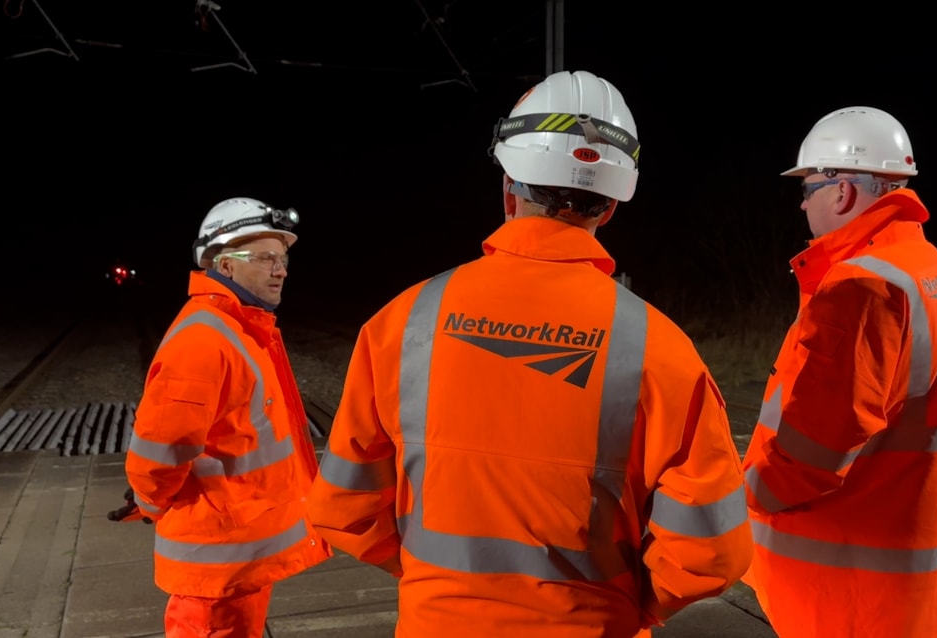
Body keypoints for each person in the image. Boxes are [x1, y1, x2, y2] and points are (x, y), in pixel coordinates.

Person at [304, 69, 753, 637]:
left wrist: (433, 582)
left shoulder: (403, 322)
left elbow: (344, 508)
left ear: (508, 185)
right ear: (611, 206)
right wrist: (635, 605)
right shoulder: (659, 348)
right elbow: (713, 550)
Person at [740, 106, 937, 637]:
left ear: (842, 192)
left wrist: (734, 500)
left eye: (807, 189)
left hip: (846, 594)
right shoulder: (934, 273)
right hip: (912, 582)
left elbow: (810, 454)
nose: (803, 204)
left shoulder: (861, 288)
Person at [121, 196, 332, 638]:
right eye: (265, 258)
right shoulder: (204, 339)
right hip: (214, 565)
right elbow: (159, 452)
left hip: (238, 555)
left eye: (284, 258)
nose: (281, 269)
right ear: (224, 265)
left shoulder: (241, 329)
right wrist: (149, 503)